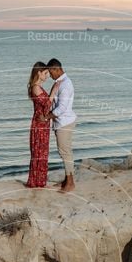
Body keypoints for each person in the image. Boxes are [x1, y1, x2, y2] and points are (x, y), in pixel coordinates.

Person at [25, 61, 59, 188]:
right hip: (39, 124)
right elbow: (46, 106)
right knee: (39, 153)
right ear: (39, 73)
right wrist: (53, 91)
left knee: (42, 152)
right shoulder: (36, 87)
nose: (48, 75)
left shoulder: (38, 87)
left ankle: (39, 181)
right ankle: (36, 182)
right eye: (45, 73)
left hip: (42, 123)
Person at [47, 58, 76, 192]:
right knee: (65, 151)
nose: (49, 75)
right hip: (63, 122)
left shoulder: (65, 84)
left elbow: (61, 108)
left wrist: (46, 116)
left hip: (64, 122)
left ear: (57, 69)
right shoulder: (61, 82)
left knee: (65, 152)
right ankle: (67, 180)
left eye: (50, 72)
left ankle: (70, 183)